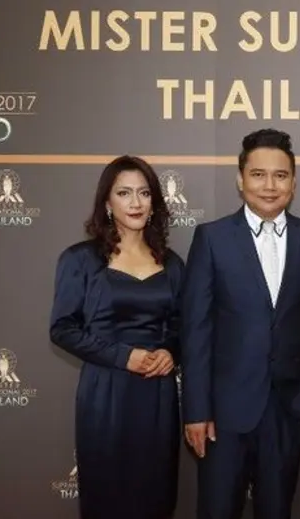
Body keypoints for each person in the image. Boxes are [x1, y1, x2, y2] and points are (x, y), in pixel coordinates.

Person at [179, 128, 300, 519]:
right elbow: (196, 330)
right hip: (223, 412)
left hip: (288, 408)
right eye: (258, 174)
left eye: (280, 176)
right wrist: (196, 409)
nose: (270, 186)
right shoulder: (211, 238)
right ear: (240, 179)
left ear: (293, 183)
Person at [49, 155, 184, 519]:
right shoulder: (80, 260)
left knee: (155, 496)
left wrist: (171, 351)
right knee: (108, 497)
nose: (136, 202)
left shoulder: (171, 263)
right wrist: (124, 357)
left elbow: (183, 326)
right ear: (107, 203)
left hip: (157, 395)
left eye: (144, 193)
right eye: (124, 193)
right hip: (106, 392)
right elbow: (62, 328)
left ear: (154, 201)